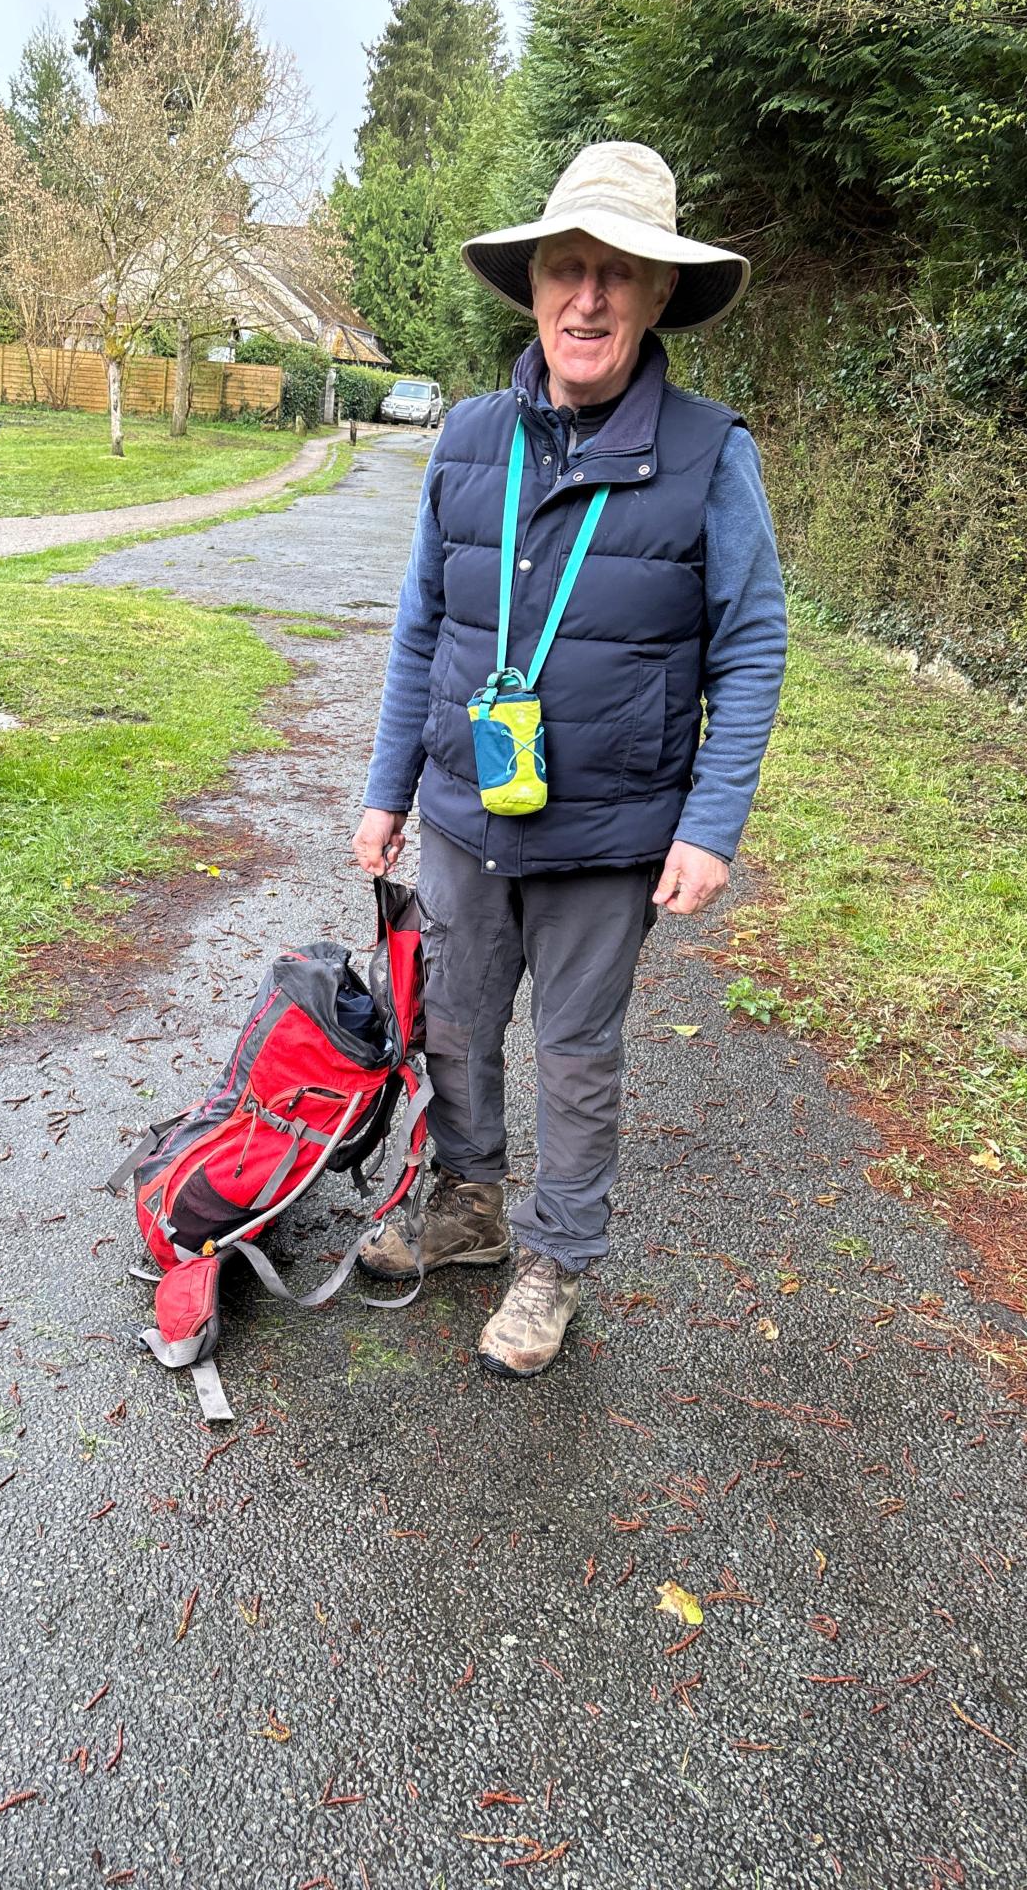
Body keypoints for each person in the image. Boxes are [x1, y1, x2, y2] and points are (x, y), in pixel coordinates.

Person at [351, 141, 788, 1379]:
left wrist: (710, 824)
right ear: (534, 287)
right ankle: (472, 1208)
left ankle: (556, 1258)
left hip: (611, 828)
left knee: (578, 1052)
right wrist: (388, 790)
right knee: (456, 1022)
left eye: (618, 274)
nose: (587, 298)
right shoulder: (470, 436)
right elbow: (420, 622)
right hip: (460, 809)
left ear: (657, 300)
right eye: (566, 268)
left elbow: (752, 642)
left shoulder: (711, 456)